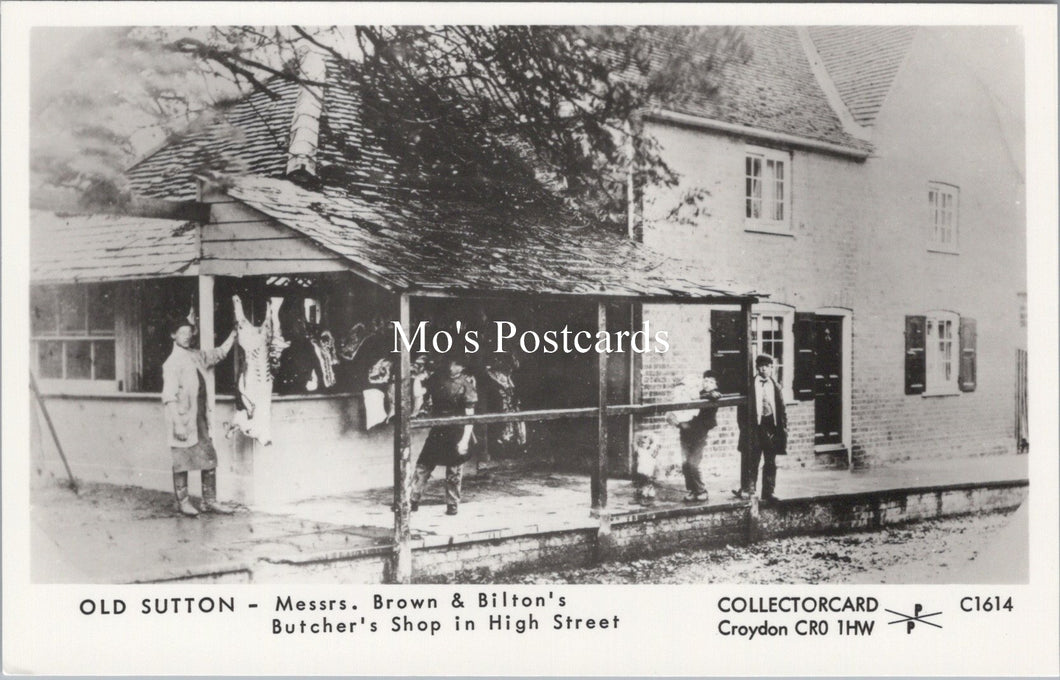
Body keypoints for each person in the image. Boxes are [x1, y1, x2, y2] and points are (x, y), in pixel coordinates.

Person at [162, 317, 237, 517]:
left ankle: (209, 501)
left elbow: (218, 354)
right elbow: (169, 397)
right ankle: (182, 502)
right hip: (182, 418)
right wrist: (178, 424)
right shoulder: (171, 363)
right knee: (181, 459)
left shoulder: (195, 356)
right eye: (182, 333)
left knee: (209, 457)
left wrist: (233, 336)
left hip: (200, 417)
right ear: (173, 335)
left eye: (189, 333)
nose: (186, 337)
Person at [410, 355, 476, 516]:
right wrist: (417, 379)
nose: (451, 366)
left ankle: (452, 504)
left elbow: (470, 417)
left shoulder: (466, 386)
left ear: (461, 367)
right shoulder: (437, 379)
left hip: (457, 431)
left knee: (454, 471)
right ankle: (412, 500)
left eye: (454, 364)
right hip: (439, 430)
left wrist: (465, 441)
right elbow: (419, 392)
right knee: (423, 466)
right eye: (451, 363)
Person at [733, 354, 787, 504]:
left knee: (770, 460)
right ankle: (750, 489)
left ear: (771, 368)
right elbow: (741, 411)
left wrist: (783, 428)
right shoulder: (750, 385)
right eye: (761, 366)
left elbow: (781, 409)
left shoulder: (775, 386)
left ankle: (769, 492)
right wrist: (745, 428)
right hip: (755, 427)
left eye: (767, 366)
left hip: (771, 426)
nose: (764, 369)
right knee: (752, 459)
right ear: (757, 367)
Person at [667, 370, 722, 503]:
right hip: (686, 431)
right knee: (685, 463)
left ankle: (701, 490)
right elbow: (686, 397)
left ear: (716, 385)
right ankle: (692, 490)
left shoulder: (713, 395)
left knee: (693, 463)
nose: (707, 383)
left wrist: (711, 394)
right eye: (706, 380)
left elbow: (714, 397)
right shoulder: (697, 393)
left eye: (711, 381)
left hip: (699, 433)